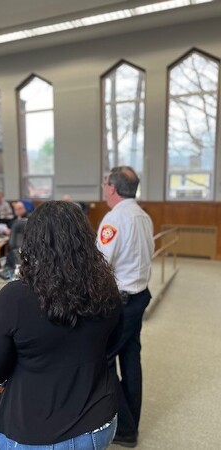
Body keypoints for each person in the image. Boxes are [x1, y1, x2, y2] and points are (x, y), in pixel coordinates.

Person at [0, 200, 123, 450]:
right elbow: (111, 345)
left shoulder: (15, 297)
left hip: (33, 432)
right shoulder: (107, 287)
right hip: (99, 423)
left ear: (32, 243)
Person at [97, 166, 154, 448]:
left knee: (103, 360)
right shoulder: (143, 216)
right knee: (131, 358)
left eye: (106, 183)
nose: (105, 188)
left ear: (113, 188)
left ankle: (126, 428)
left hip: (121, 302)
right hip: (139, 295)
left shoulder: (114, 218)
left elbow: (101, 265)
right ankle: (132, 422)